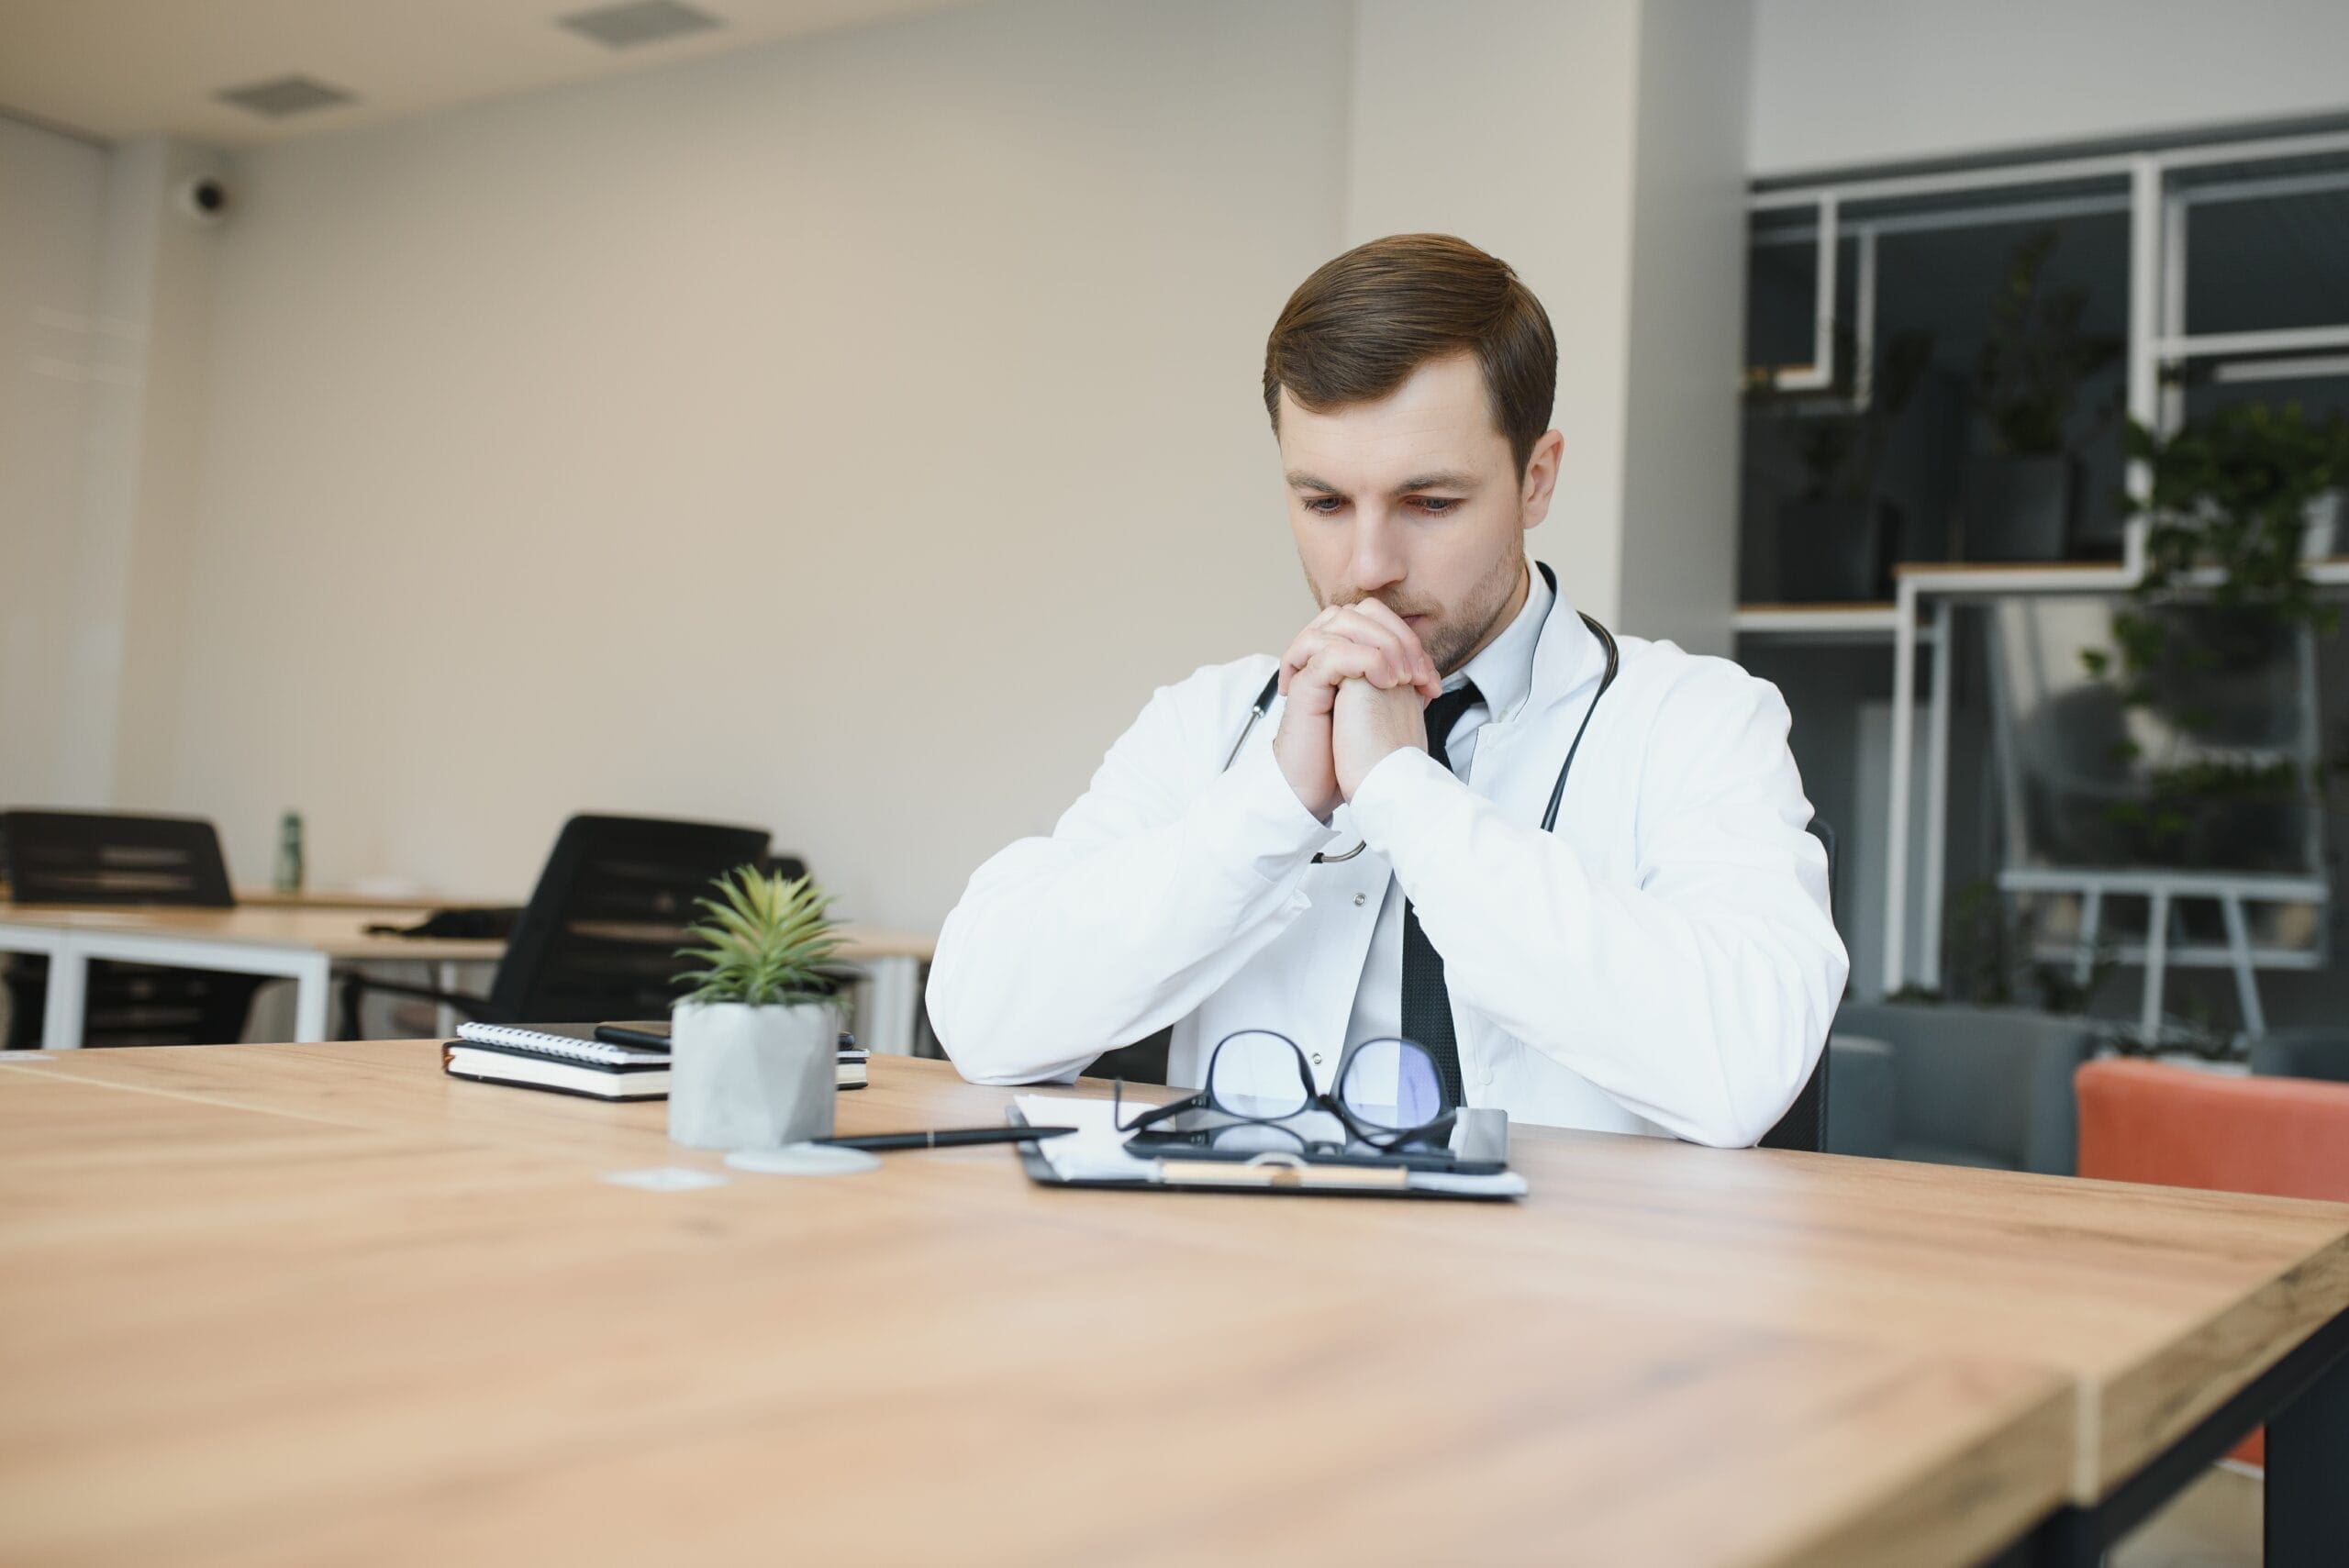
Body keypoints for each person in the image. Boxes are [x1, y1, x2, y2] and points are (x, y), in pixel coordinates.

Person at [926, 233, 1847, 1146]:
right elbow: (984, 1017)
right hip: (1249, 1274)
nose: (1366, 567)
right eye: (1323, 503)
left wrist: (1408, 796)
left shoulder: (1696, 720)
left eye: (1429, 503)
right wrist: (1272, 806)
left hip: (1562, 1286)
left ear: (1536, 478)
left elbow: (1745, 1070)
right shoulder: (1207, 726)